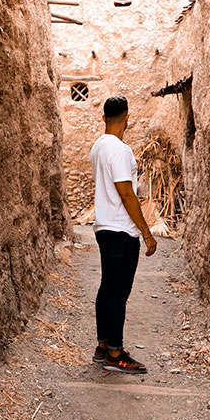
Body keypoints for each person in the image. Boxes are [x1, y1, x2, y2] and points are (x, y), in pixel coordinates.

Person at [90, 95, 157, 374]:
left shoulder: (98, 147)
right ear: (127, 117)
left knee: (108, 288)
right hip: (121, 230)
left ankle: (103, 346)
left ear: (104, 117)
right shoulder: (120, 150)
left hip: (104, 227)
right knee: (118, 292)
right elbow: (127, 193)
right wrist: (146, 232)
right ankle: (115, 354)